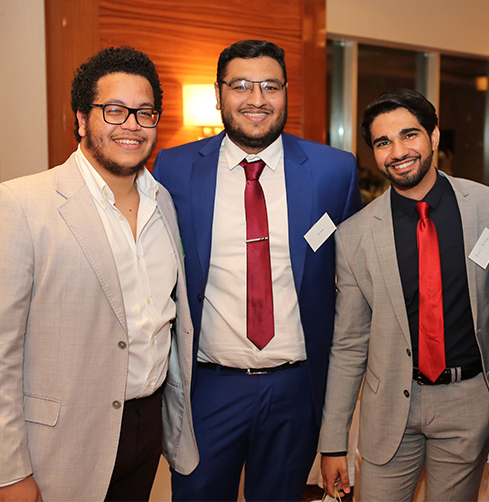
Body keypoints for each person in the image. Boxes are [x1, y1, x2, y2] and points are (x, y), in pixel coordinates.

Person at [0, 46, 198, 501]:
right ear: (81, 119)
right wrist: (7, 472)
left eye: (144, 113)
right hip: (60, 438)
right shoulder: (20, 204)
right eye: (114, 110)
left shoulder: (162, 203)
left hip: (147, 428)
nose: (131, 124)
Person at [152, 39, 362, 501]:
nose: (256, 99)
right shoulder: (175, 166)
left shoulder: (334, 171)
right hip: (208, 386)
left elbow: (352, 287)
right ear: (219, 93)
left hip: (295, 387)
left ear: (287, 92)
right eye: (241, 85)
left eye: (270, 86)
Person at [318, 89, 489, 500]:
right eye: (383, 142)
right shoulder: (355, 235)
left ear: (434, 136)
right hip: (389, 404)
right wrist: (333, 440)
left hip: (469, 401)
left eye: (410, 135)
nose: (398, 151)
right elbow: (349, 344)